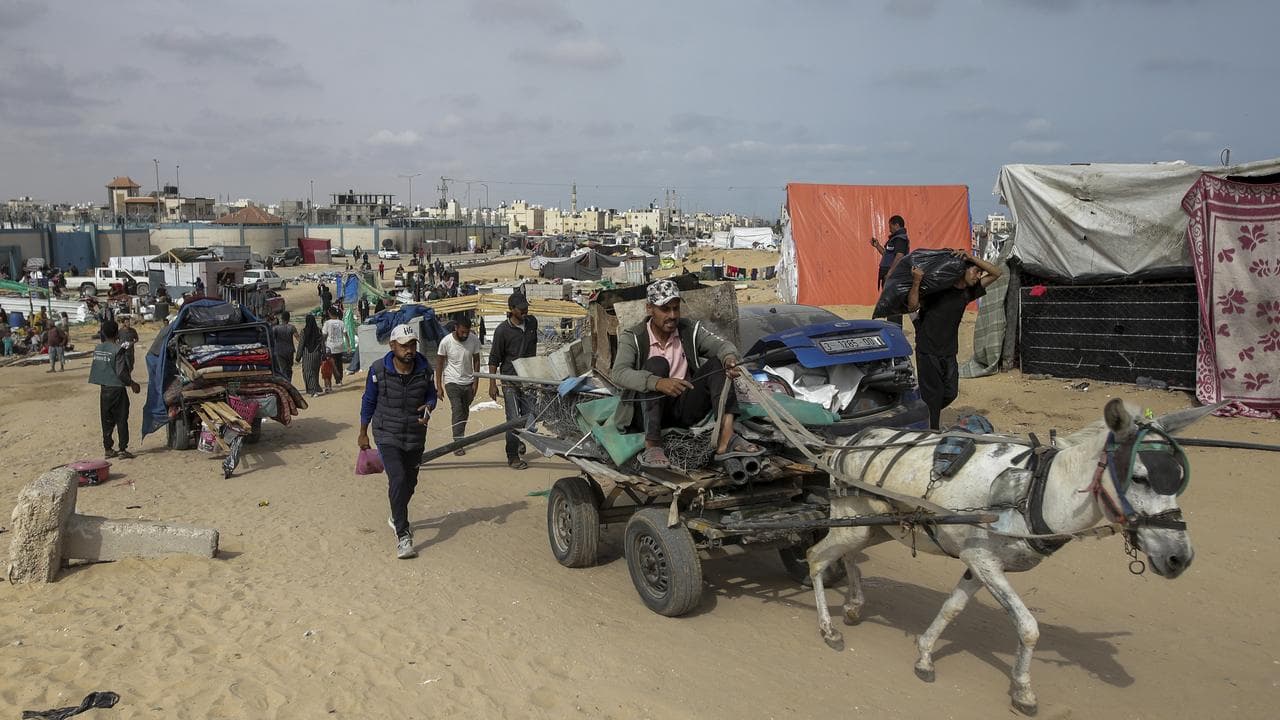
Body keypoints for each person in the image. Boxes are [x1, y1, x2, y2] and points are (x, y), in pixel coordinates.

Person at [608, 279, 761, 469]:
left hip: (683, 407)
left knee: (718, 365)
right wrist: (657, 383)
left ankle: (726, 436)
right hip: (647, 412)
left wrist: (729, 358)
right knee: (657, 364)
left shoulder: (689, 330)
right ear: (650, 309)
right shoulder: (633, 337)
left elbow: (722, 345)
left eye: (675, 308)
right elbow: (619, 373)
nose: (672, 315)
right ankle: (653, 445)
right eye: (665, 309)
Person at [358, 323, 437, 559]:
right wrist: (363, 432)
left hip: (415, 433)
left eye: (412, 345)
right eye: (404, 346)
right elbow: (368, 402)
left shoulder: (424, 369)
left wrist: (430, 406)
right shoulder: (377, 370)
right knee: (398, 477)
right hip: (386, 432)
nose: (409, 350)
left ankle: (395, 515)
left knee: (410, 483)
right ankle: (403, 535)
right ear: (393, 346)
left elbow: (430, 394)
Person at [907, 249, 1002, 430]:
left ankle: (923, 409)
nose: (978, 275)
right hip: (928, 350)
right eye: (975, 271)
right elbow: (912, 305)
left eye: (979, 273)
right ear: (962, 270)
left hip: (949, 352)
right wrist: (917, 281)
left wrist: (972, 257)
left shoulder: (967, 292)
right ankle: (932, 430)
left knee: (950, 393)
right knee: (933, 396)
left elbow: (997, 272)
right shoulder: (938, 289)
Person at [487, 292, 538, 470]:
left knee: (529, 415)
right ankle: (512, 455)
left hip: (528, 378)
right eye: (521, 308)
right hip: (509, 379)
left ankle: (519, 440)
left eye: (526, 307)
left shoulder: (532, 323)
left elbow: (534, 350)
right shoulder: (503, 330)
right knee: (513, 418)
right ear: (511, 310)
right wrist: (492, 384)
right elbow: (494, 359)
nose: (525, 310)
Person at [88, 319, 141, 459]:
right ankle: (122, 449)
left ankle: (108, 449)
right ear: (117, 333)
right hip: (117, 389)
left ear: (103, 333)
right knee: (121, 419)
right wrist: (132, 384)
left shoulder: (98, 349)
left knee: (106, 420)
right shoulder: (118, 350)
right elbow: (121, 372)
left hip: (104, 389)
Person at [435, 317, 481, 455]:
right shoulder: (446, 342)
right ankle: (458, 442)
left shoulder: (474, 340)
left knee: (465, 411)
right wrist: (439, 386)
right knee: (458, 409)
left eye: (467, 332)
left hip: (469, 382)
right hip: (452, 382)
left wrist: (476, 382)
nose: (465, 335)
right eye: (462, 332)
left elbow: (477, 361)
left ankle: (460, 437)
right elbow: (439, 364)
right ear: (456, 328)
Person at [870, 214, 910, 326]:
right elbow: (886, 255)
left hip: (894, 277)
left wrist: (890, 273)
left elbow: (899, 256)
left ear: (896, 225)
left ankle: (895, 327)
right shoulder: (894, 239)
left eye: (890, 226)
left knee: (893, 303)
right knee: (889, 302)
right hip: (889, 276)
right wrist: (877, 245)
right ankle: (892, 326)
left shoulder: (900, 239)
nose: (889, 229)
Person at [297, 313, 323, 396]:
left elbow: (301, 345)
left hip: (307, 355)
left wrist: (298, 356)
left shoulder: (304, 331)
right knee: (315, 372)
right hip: (317, 354)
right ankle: (316, 388)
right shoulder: (318, 330)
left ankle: (313, 390)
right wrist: (324, 354)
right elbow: (322, 343)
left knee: (308, 372)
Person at [322, 307, 346, 386]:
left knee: (333, 364)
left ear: (329, 314)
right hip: (340, 346)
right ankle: (340, 380)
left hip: (331, 347)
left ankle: (337, 379)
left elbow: (324, 335)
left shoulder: (327, 323)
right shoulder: (341, 322)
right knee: (339, 363)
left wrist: (322, 344)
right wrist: (348, 345)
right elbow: (345, 334)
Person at [272, 311, 299, 382]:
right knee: (289, 368)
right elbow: (298, 338)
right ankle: (289, 382)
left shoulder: (276, 328)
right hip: (289, 351)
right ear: (289, 318)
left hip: (279, 351)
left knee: (282, 369)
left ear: (281, 318)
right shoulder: (292, 327)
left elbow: (272, 339)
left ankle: (285, 383)